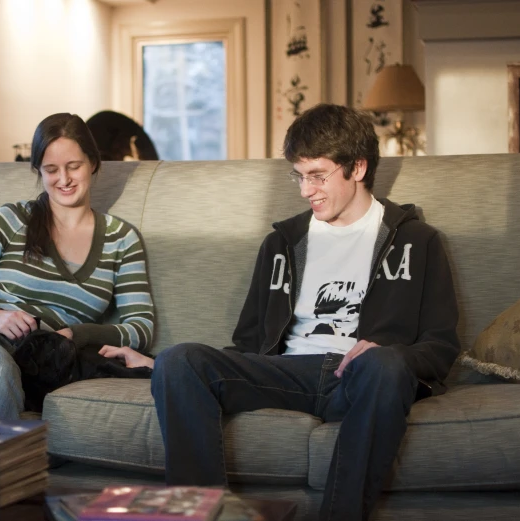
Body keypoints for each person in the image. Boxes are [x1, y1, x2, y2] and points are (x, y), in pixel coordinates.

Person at [99, 104, 460, 521]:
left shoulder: (417, 240)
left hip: (362, 378)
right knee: (181, 359)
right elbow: (248, 345)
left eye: (317, 175)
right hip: (287, 373)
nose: (306, 190)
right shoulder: (282, 244)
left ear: (358, 167)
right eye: (300, 176)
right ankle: (206, 515)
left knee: (384, 365)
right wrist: (159, 364)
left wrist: (390, 355)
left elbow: (441, 346)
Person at [0, 113, 155, 420]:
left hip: (33, 363)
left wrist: (78, 335)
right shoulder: (11, 219)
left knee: (1, 372)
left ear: (93, 163)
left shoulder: (122, 240)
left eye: (73, 167)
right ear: (39, 170)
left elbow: (141, 328)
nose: (63, 180)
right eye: (51, 170)